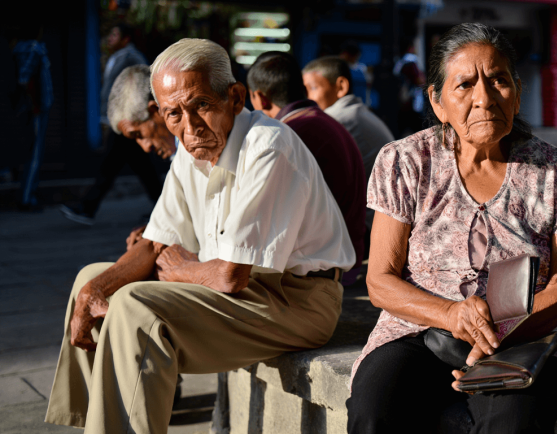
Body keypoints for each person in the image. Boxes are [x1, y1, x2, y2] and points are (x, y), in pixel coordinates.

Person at [44, 38, 354, 433]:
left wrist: (184, 268)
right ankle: (94, 425)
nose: (189, 127)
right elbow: (156, 243)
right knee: (90, 280)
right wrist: (96, 289)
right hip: (248, 293)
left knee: (137, 307)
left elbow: (229, 276)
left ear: (236, 98)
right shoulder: (192, 148)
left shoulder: (268, 146)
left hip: (297, 302)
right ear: (161, 112)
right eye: (173, 114)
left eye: (202, 105)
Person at [346, 23, 557, 434]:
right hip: (418, 330)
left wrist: (496, 332)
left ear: (516, 92)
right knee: (374, 412)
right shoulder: (404, 162)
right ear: (438, 102)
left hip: (523, 334)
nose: (484, 98)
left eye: (498, 80)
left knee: (511, 424)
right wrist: (450, 314)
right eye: (464, 85)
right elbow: (381, 281)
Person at [247, 51, 366, 284]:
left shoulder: (288, 136)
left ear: (260, 98)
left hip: (328, 269)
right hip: (346, 254)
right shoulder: (322, 121)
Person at [60, 23, 164, 225]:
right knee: (143, 169)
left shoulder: (132, 57)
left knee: (110, 167)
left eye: (115, 34)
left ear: (126, 39)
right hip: (120, 121)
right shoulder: (115, 58)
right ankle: (166, 211)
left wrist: (134, 118)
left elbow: (142, 88)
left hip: (128, 122)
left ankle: (87, 208)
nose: (110, 38)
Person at [302, 56, 395, 245]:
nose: (308, 98)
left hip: (371, 229)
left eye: (312, 89)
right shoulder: (355, 113)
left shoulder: (339, 120)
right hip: (382, 223)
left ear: (341, 86)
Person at [12, 24, 53, 210]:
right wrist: (35, 104)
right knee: (35, 154)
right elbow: (24, 78)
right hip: (36, 108)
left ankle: (27, 195)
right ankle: (27, 198)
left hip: (28, 108)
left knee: (29, 152)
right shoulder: (34, 49)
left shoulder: (17, 49)